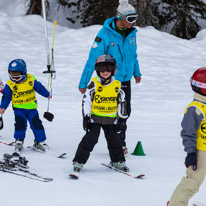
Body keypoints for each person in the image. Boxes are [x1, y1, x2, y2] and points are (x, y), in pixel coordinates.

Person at [78, 0, 141, 155]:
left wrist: (136, 72)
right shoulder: (104, 35)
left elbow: (133, 55)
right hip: (110, 81)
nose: (134, 23)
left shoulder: (131, 33)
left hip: (125, 80)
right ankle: (113, 143)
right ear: (121, 18)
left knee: (124, 111)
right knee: (109, 111)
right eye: (131, 19)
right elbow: (92, 59)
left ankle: (120, 142)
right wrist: (84, 82)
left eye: (135, 18)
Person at [72, 54, 129, 173]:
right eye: (102, 69)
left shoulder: (117, 86)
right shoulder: (93, 84)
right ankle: (79, 161)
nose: (105, 72)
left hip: (111, 120)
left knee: (115, 141)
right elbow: (86, 101)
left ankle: (118, 161)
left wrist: (122, 119)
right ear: (97, 70)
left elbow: (122, 103)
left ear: (113, 70)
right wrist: (86, 117)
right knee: (89, 140)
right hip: (95, 119)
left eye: (108, 69)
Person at [168, 67, 206, 206]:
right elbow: (188, 132)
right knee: (192, 182)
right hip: (201, 153)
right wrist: (191, 153)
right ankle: (176, 203)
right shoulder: (195, 109)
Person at [0, 59, 51, 153]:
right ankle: (19, 140)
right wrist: (3, 107)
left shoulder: (31, 79)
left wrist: (47, 94)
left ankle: (39, 142)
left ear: (23, 73)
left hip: (32, 109)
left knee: (37, 125)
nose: (15, 79)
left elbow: (39, 87)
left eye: (17, 77)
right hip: (18, 109)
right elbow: (6, 97)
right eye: (12, 76)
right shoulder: (10, 84)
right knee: (20, 125)